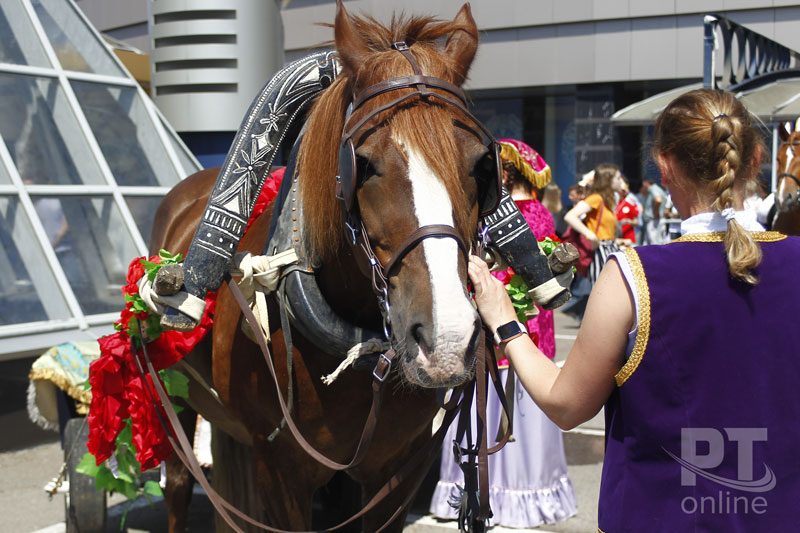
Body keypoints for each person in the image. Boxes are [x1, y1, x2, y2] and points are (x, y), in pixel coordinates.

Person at [466, 88, 800, 531]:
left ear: (663, 165)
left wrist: (505, 321)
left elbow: (566, 405)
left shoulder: (633, 275)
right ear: (757, 158)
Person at [429, 139, 577, 528]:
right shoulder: (542, 212)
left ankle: (484, 493)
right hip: (532, 326)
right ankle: (529, 490)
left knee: (489, 399)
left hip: (500, 319)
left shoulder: (499, 216)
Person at [563, 163, 624, 284]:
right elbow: (570, 216)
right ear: (608, 180)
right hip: (600, 250)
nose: (621, 181)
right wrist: (590, 235)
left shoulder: (607, 199)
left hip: (608, 248)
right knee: (603, 287)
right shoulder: (597, 198)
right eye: (618, 178)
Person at [615, 174, 641, 246]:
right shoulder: (614, 202)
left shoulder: (630, 202)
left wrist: (627, 221)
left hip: (628, 238)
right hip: (616, 238)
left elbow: (636, 221)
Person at [640, 177, 667, 244]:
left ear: (645, 182)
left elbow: (658, 200)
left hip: (654, 221)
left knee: (654, 244)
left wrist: (655, 212)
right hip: (657, 220)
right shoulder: (658, 189)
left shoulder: (653, 188)